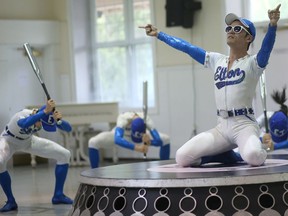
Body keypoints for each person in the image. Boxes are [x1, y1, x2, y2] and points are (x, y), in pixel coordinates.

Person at [140, 4, 281, 167]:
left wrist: (272, 26)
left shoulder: (253, 63)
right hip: (222, 126)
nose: (230, 31)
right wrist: (159, 34)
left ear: (248, 38)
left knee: (254, 156)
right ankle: (227, 156)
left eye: (237, 29)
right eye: (228, 28)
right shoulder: (217, 60)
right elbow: (187, 47)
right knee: (182, 157)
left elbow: (266, 50)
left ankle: (248, 151)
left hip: (244, 125)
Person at [0, 99, 73, 212]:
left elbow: (69, 129)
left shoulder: (44, 116)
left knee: (64, 154)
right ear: (38, 115)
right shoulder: (22, 115)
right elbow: (24, 124)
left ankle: (58, 195)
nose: (42, 126)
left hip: (28, 141)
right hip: (9, 140)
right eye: (41, 123)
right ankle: (11, 201)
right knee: (0, 162)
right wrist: (44, 113)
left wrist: (59, 121)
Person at [88, 111, 170, 168]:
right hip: (122, 135)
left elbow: (159, 141)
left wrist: (149, 142)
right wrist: (137, 148)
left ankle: (164, 169)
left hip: (142, 135)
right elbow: (117, 139)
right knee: (93, 142)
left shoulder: (146, 118)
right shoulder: (123, 117)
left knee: (166, 139)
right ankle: (94, 172)